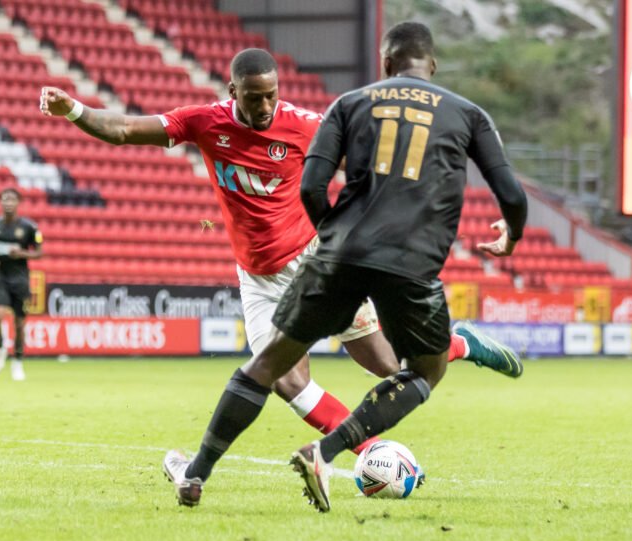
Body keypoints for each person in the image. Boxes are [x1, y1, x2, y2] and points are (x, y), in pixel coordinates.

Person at [38, 47, 519, 473]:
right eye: (253, 97)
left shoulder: (306, 125)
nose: (264, 105)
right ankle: (369, 454)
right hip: (260, 278)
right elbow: (123, 129)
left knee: (391, 368)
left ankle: (459, 345)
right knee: (287, 381)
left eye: (271, 95)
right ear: (233, 91)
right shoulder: (205, 121)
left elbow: (375, 167)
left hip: (315, 262)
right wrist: (74, 109)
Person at [160, 22, 529, 511]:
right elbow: (512, 194)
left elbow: (314, 186)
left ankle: (228, 466)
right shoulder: (467, 114)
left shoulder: (350, 105)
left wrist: (331, 237)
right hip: (408, 256)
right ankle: (340, 448)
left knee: (294, 367)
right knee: (405, 373)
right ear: (432, 65)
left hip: (338, 256)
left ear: (385, 64)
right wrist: (511, 236)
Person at [0, 188, 44, 381]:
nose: (8, 203)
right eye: (5, 199)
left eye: (12, 199)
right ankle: (0, 348)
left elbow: (39, 252)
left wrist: (22, 253)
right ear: (0, 202)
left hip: (21, 279)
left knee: (19, 324)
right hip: (1, 277)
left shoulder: (29, 228)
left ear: (18, 203)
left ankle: (17, 361)